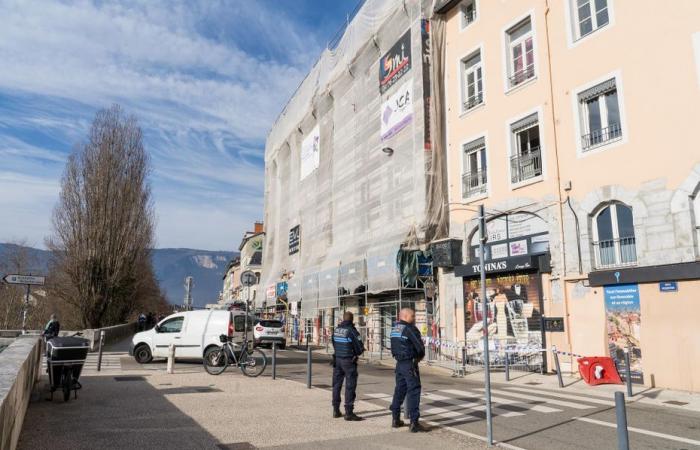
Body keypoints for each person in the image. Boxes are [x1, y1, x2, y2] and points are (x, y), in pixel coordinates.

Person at [390, 307, 427, 432]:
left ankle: (395, 418)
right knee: (414, 391)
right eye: (412, 316)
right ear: (405, 316)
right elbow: (419, 346)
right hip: (410, 364)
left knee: (399, 390)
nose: (414, 318)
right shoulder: (410, 329)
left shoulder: (394, 329)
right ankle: (414, 423)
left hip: (399, 364)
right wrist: (420, 356)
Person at [331, 311, 364, 421]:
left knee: (336, 385)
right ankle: (348, 412)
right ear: (352, 320)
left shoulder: (336, 330)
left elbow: (334, 344)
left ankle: (336, 410)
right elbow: (360, 348)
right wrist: (356, 352)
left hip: (338, 360)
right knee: (350, 386)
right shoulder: (351, 331)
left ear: (343, 319)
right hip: (349, 361)